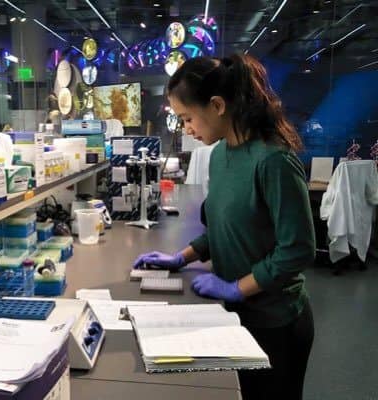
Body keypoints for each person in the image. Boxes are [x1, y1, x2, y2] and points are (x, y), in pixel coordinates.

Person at [133, 54, 315, 400]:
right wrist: (181, 258)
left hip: (275, 322)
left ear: (216, 105)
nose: (186, 129)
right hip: (237, 314)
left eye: (187, 118)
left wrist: (236, 287)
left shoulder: (274, 160)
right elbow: (223, 224)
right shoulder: (220, 155)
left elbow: (298, 248)